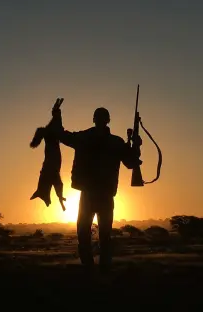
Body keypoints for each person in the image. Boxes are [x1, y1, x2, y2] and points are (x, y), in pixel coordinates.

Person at [53, 106, 142, 273]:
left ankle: (93, 268)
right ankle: (99, 268)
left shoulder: (86, 138)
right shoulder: (113, 142)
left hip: (94, 194)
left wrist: (135, 143)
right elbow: (131, 162)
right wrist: (135, 146)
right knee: (97, 234)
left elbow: (61, 135)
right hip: (100, 194)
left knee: (91, 233)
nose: (100, 121)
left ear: (97, 120)